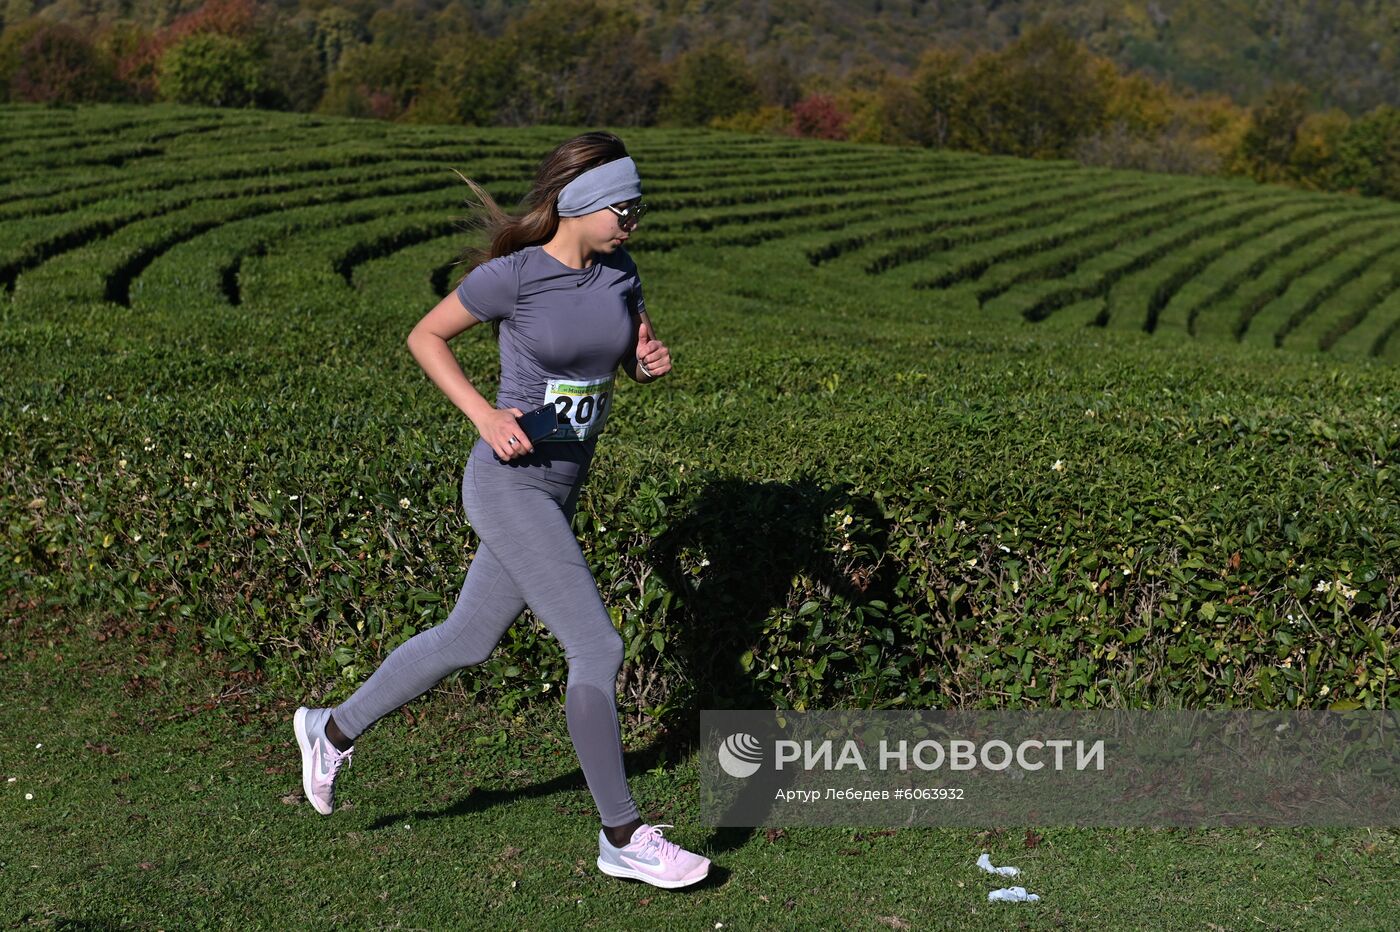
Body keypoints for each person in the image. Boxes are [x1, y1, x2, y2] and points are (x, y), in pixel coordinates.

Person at [293, 132, 710, 890]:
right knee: (598, 647)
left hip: (562, 484)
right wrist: (484, 415)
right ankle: (623, 835)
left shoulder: (621, 271)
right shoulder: (513, 277)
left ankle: (331, 729)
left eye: (640, 208)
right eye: (627, 206)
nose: (636, 221)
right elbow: (425, 336)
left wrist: (646, 363)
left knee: (466, 637)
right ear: (583, 204)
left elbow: (619, 354)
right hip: (508, 481)